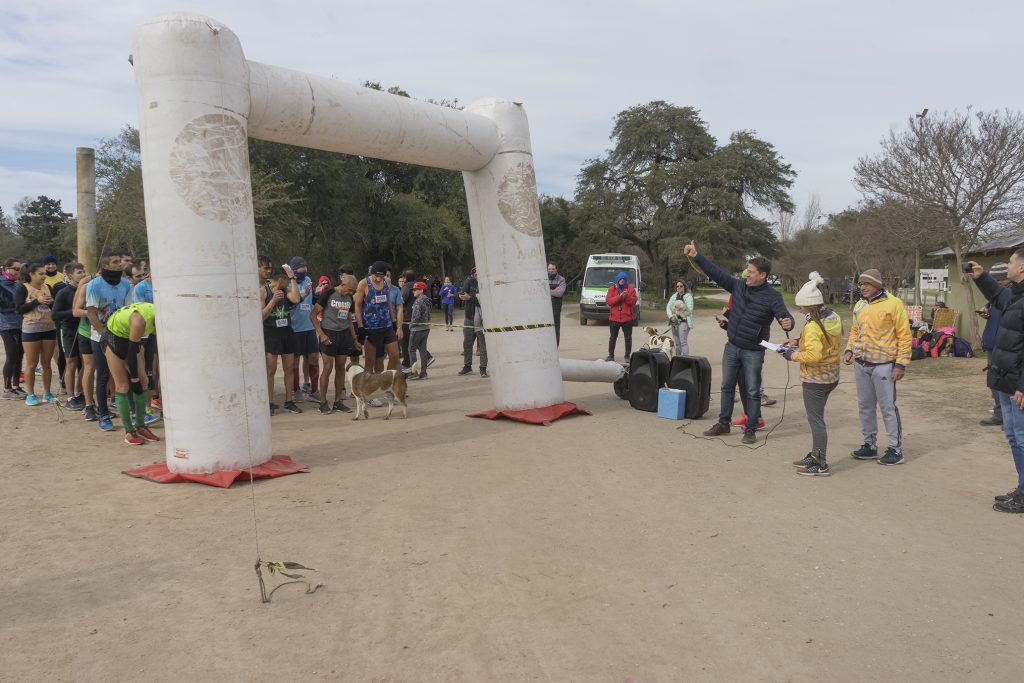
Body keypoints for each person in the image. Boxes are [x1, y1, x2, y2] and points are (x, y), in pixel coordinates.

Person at [685, 241, 794, 445]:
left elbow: (785, 316)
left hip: (753, 352)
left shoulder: (773, 296)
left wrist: (788, 321)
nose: (747, 274)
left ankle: (751, 428)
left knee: (753, 391)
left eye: (751, 272)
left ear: (763, 275)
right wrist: (696, 256)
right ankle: (723, 424)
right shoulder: (739, 286)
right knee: (727, 387)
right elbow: (717, 274)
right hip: (732, 346)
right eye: (747, 270)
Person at [968, 255, 1024, 512]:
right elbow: (1000, 298)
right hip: (1005, 378)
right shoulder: (1015, 293)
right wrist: (982, 277)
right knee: (1013, 435)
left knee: (1022, 438)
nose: (1008, 265)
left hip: (1018, 383)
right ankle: (1022, 488)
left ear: (1022, 267)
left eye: (1011, 262)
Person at [844, 268, 912, 465]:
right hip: (861, 363)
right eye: (861, 284)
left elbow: (904, 335)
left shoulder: (894, 304)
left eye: (866, 284)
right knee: (865, 406)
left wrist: (901, 364)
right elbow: (855, 330)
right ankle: (870, 445)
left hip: (884, 365)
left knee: (888, 407)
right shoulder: (859, 305)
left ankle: (895, 449)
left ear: (877, 286)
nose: (862, 287)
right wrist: (849, 349)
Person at [780, 273, 843, 476]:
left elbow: (814, 354)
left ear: (810, 307)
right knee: (817, 418)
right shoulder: (831, 317)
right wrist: (798, 341)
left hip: (815, 379)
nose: (800, 310)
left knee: (816, 420)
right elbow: (824, 342)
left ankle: (820, 463)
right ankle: (815, 454)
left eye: (802, 307)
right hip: (831, 375)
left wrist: (792, 354)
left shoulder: (813, 326)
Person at [102, 302, 160, 446]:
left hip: (129, 338)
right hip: (112, 338)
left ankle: (140, 426)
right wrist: (134, 378)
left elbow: (150, 346)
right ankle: (129, 431)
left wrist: (147, 374)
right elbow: (132, 353)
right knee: (123, 385)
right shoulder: (140, 320)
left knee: (144, 381)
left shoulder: (159, 315)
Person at [86, 252, 131, 431]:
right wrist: (103, 334)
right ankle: (103, 415)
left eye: (120, 261)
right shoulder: (94, 285)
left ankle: (133, 413)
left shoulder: (126, 284)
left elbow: (128, 309)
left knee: (127, 373)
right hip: (100, 336)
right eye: (115, 262)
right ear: (105, 266)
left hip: (121, 335)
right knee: (103, 375)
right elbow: (91, 312)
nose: (120, 264)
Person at [311, 271, 359, 415]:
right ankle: (323, 402)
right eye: (350, 290)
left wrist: (354, 338)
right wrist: (321, 334)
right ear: (343, 285)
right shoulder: (329, 294)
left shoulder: (349, 297)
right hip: (328, 333)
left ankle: (338, 402)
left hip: (343, 335)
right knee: (328, 367)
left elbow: (349, 318)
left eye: (353, 291)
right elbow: (312, 315)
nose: (351, 293)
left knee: (340, 367)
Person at [262, 264, 302, 415]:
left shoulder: (286, 289)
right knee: (271, 370)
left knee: (289, 368)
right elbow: (261, 315)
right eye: (287, 280)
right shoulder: (264, 291)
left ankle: (289, 401)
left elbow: (296, 299)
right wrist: (272, 302)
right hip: (271, 333)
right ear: (280, 279)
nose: (289, 284)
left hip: (286, 332)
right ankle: (270, 403)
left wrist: (292, 278)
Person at [16, 263, 57, 405]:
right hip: (31, 330)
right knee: (32, 364)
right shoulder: (23, 288)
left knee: (47, 364)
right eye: (41, 273)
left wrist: (52, 303)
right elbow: (19, 309)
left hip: (49, 329)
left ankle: (47, 393)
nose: (44, 276)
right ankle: (31, 394)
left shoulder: (48, 288)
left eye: (44, 273)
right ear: (31, 274)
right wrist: (36, 301)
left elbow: (55, 308)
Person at [353, 261, 401, 375]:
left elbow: (388, 302)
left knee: (395, 356)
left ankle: (386, 381)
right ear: (371, 273)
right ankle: (366, 388)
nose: (378, 279)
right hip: (371, 328)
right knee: (370, 361)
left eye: (381, 277)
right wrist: (360, 326)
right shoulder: (364, 283)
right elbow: (357, 306)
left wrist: (394, 320)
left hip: (387, 325)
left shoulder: (387, 282)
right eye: (376, 276)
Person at [51, 262, 87, 410]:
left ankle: (79, 393)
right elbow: (55, 315)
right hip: (69, 331)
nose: (83, 274)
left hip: (84, 331)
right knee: (71, 363)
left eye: (84, 271)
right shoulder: (64, 292)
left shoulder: (87, 290)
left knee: (87, 364)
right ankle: (70, 397)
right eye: (79, 272)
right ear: (70, 275)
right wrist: (73, 311)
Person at [288, 257, 320, 403]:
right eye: (301, 268)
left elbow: (312, 301)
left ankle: (314, 390)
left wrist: (317, 293)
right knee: (294, 360)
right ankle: (296, 390)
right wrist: (303, 295)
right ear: (293, 270)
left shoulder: (308, 280)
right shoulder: (288, 283)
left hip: (310, 327)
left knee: (313, 357)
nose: (304, 270)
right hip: (295, 328)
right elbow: (290, 303)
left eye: (306, 267)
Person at [1, 258, 26, 399]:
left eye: (19, 269)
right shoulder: (1, 284)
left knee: (19, 356)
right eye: (15, 269)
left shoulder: (17, 285)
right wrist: (17, 307)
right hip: (6, 325)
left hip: (21, 325)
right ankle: (7, 389)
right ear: (5, 269)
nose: (18, 272)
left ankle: (16, 386)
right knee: (11, 355)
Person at [978, 299, 1006, 426]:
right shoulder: (996, 294)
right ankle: (1000, 414)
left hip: (1008, 346)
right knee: (994, 380)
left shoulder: (1016, 293)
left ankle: (1011, 418)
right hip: (992, 343)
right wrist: (986, 311)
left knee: (1008, 382)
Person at [458, 267, 487, 377]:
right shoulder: (470, 281)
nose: (475, 274)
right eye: (474, 272)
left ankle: (483, 368)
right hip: (469, 317)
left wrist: (470, 297)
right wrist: (462, 295)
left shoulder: (485, 284)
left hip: (481, 320)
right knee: (467, 343)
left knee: (483, 346)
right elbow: (463, 293)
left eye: (477, 272)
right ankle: (467, 366)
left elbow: (482, 300)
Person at [605, 271, 637, 363]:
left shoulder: (631, 290)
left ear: (626, 280)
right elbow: (609, 301)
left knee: (628, 338)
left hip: (627, 319)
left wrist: (626, 297)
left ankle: (627, 355)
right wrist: (620, 296)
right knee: (612, 338)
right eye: (620, 279)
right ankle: (611, 355)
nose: (622, 281)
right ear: (617, 279)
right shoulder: (611, 289)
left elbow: (633, 302)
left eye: (624, 279)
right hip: (614, 319)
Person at [408, 281, 434, 380]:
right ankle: (424, 373)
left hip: (417, 329)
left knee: (411, 350)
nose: (413, 291)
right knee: (423, 350)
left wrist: (411, 325)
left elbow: (416, 316)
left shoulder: (419, 301)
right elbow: (428, 316)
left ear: (421, 290)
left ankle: (414, 373)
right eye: (413, 289)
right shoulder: (426, 300)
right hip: (425, 328)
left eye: (416, 289)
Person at [665, 279, 694, 356]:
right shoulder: (674, 296)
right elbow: (668, 307)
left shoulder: (688, 297)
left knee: (683, 342)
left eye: (681, 286)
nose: (679, 287)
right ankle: (678, 359)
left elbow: (689, 310)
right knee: (677, 343)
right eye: (677, 286)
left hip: (684, 322)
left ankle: (686, 359)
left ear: (684, 287)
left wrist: (677, 313)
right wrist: (671, 316)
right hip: (674, 322)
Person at [399, 269, 415, 370]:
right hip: (414, 317)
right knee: (412, 342)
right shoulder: (416, 285)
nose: (403, 279)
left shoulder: (406, 286)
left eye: (404, 277)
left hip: (406, 317)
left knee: (404, 342)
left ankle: (406, 363)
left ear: (406, 277)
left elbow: (401, 300)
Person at [548, 262, 566, 347]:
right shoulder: (543, 278)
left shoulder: (561, 279)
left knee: (555, 329)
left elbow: (560, 293)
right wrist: (554, 291)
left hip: (556, 308)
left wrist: (547, 291)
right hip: (544, 308)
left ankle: (555, 347)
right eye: (549, 269)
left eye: (553, 269)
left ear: (556, 269)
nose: (551, 271)